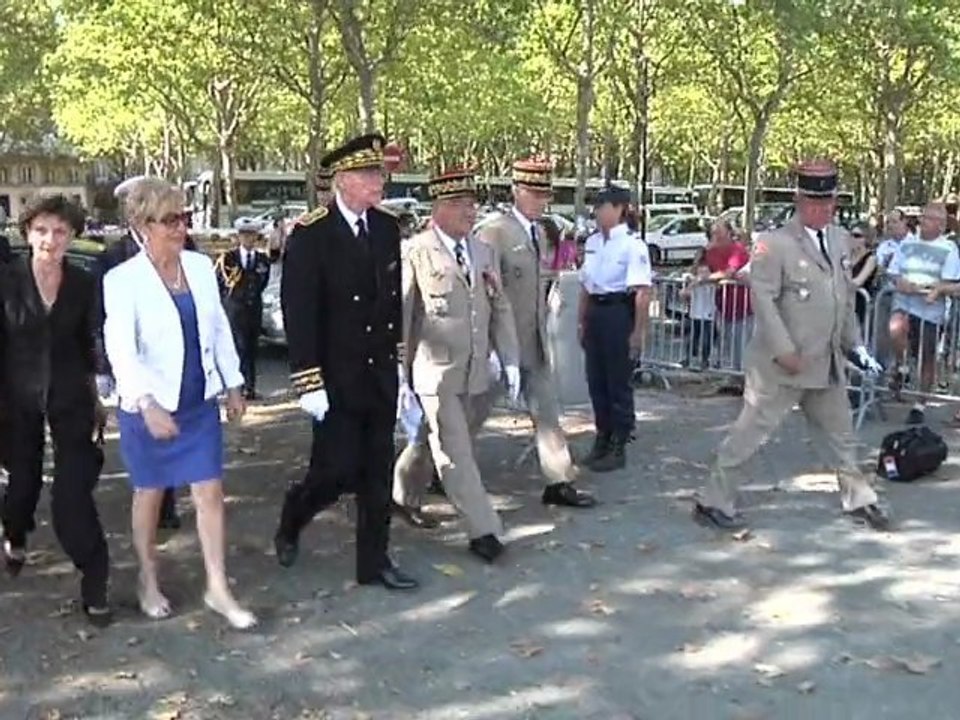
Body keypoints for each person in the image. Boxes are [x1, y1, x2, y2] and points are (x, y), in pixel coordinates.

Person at [693, 159, 890, 532]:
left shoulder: (838, 239)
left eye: (830, 202)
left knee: (840, 435)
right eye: (816, 203)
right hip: (781, 364)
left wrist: (856, 347)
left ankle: (860, 498)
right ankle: (713, 500)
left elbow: (843, 297)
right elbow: (763, 300)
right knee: (750, 433)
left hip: (825, 361)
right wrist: (784, 349)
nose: (824, 210)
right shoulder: (773, 244)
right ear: (799, 201)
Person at [103, 178, 256, 629]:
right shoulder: (122, 280)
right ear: (142, 225)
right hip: (148, 407)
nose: (180, 228)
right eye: (169, 220)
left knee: (210, 493)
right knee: (149, 494)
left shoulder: (200, 266)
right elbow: (121, 351)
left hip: (197, 403)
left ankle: (218, 587)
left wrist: (233, 384)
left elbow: (219, 330)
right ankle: (147, 579)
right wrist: (147, 403)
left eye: (183, 218)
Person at [273, 133, 418, 590]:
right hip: (334, 377)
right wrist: (307, 380)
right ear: (343, 180)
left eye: (380, 173)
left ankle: (374, 563)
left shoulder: (387, 227)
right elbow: (300, 311)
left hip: (377, 373)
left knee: (376, 472)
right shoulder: (311, 234)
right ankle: (293, 515)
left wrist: (398, 365)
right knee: (334, 473)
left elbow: (392, 303)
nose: (379, 182)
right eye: (369, 174)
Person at [392, 168, 521, 562]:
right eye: (463, 205)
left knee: (429, 440)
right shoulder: (416, 250)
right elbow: (402, 315)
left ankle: (401, 492)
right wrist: (399, 374)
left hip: (475, 372)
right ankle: (485, 530)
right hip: (435, 372)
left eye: (473, 204)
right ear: (441, 207)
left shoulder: (483, 251)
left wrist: (510, 360)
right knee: (456, 450)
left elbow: (499, 306)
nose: (471, 212)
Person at [0, 195, 112, 626]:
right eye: (42, 230)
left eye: (61, 231)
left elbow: (91, 343)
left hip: (71, 399)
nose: (51, 239)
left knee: (72, 494)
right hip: (15, 399)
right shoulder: (6, 280)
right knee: (22, 483)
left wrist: (101, 389)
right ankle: (15, 534)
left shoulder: (83, 284)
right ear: (27, 233)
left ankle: (95, 579)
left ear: (72, 237)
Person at [475, 158, 596, 508]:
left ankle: (558, 481)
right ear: (516, 191)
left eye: (545, 193)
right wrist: (488, 344)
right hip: (502, 343)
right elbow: (484, 290)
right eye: (533, 192)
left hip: (534, 340)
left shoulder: (539, 232)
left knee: (546, 412)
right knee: (469, 414)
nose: (541, 200)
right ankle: (432, 467)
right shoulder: (495, 231)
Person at [97, 177, 184, 531]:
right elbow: (100, 316)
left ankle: (168, 505)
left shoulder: (183, 244)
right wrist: (103, 368)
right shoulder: (112, 256)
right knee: (146, 440)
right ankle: (150, 502)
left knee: (173, 433)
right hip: (133, 361)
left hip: (171, 359)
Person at [577, 185, 651, 472]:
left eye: (603, 206)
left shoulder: (633, 246)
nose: (597, 212)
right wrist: (582, 320)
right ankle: (602, 437)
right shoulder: (594, 242)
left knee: (617, 382)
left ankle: (619, 443)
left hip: (618, 312)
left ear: (619, 209)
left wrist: (637, 332)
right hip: (596, 311)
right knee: (596, 380)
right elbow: (586, 285)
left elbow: (643, 293)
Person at [887, 202, 960, 424]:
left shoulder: (949, 249)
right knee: (896, 326)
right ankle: (902, 365)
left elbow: (952, 281)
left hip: (930, 312)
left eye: (928, 218)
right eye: (922, 217)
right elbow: (892, 272)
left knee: (927, 358)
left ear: (940, 224)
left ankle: (920, 403)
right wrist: (900, 282)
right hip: (904, 303)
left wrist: (935, 289)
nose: (922, 222)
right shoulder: (907, 244)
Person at [214, 218, 280, 399]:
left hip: (253, 310)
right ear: (239, 237)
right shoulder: (228, 258)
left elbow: (263, 281)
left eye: (252, 235)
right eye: (244, 235)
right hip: (234, 310)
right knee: (238, 348)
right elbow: (221, 283)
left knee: (251, 349)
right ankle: (237, 386)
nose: (248, 239)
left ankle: (250, 387)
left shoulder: (261, 260)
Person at [681, 249, 716, 371]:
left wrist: (692, 284)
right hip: (695, 310)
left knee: (706, 337)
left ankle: (704, 360)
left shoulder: (709, 269)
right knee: (692, 336)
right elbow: (688, 287)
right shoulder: (692, 273)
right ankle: (689, 358)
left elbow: (703, 279)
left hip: (708, 310)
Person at [848, 226, 878, 331]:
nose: (852, 238)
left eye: (857, 236)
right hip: (844, 302)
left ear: (866, 238)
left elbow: (859, 281)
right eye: (851, 235)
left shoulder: (871, 259)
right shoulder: (845, 256)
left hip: (860, 303)